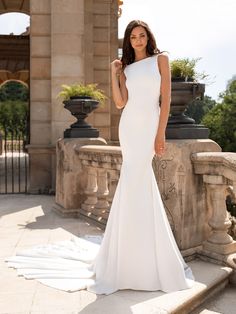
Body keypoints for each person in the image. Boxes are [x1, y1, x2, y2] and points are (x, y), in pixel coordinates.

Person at [6, 20, 194, 295]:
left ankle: (145, 255)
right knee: (132, 184)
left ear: (148, 38)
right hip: (130, 126)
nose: (138, 40)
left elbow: (165, 99)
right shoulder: (127, 67)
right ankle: (125, 256)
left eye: (142, 36)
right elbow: (120, 103)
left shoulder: (161, 60)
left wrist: (160, 133)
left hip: (150, 126)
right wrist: (114, 74)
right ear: (128, 41)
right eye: (133, 37)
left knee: (139, 183)